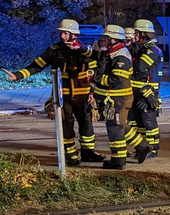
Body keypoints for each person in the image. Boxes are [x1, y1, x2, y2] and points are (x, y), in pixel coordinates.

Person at [1, 18, 105, 166]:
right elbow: (37, 66)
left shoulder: (86, 50)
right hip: (63, 95)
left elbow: (97, 64)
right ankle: (70, 155)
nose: (62, 36)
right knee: (66, 124)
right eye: (61, 33)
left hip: (83, 95)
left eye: (66, 33)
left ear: (74, 34)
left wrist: (93, 92)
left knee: (86, 124)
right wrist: (17, 75)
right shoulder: (54, 51)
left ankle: (88, 153)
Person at [91, 24, 152, 169]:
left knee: (115, 128)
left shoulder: (121, 57)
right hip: (114, 99)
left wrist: (96, 79)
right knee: (121, 126)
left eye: (106, 37)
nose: (103, 40)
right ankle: (142, 146)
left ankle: (118, 160)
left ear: (114, 39)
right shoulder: (112, 53)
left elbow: (116, 79)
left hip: (119, 100)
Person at [127, 19, 163, 157]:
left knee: (149, 123)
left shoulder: (152, 50)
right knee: (139, 123)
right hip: (138, 92)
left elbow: (140, 68)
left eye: (137, 32)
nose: (134, 35)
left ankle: (152, 149)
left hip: (148, 93)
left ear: (144, 33)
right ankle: (142, 148)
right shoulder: (140, 48)